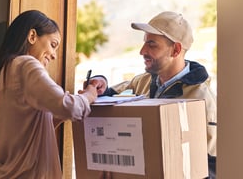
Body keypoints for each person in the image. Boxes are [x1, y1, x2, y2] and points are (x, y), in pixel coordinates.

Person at [89, 11, 217, 178]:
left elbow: (212, 165)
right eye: (144, 43)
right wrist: (100, 83)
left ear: (176, 50)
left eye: (152, 44)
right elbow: (110, 93)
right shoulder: (142, 82)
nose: (142, 51)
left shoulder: (201, 100)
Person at [0, 10, 100, 179]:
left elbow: (25, 129)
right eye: (53, 45)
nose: (53, 55)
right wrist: (90, 95)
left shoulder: (4, 71)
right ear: (32, 36)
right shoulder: (26, 64)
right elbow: (69, 106)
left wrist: (58, 114)